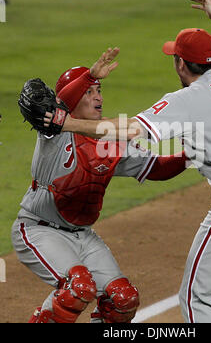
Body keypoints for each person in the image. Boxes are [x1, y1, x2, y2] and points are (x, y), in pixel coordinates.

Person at [56, 0, 211, 323]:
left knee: (197, 296)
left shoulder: (187, 98)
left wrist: (67, 122)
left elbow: (129, 130)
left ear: (181, 63)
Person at [12, 48, 188, 323]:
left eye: (99, 90)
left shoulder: (110, 140)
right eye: (90, 91)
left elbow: (157, 168)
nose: (99, 97)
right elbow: (61, 105)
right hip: (39, 230)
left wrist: (192, 154)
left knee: (123, 300)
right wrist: (90, 74)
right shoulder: (55, 132)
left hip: (83, 235)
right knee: (77, 288)